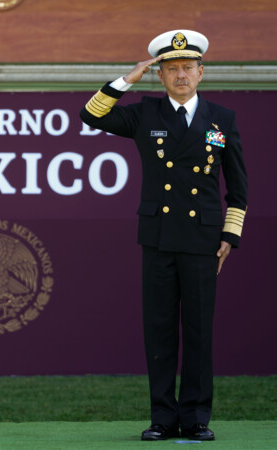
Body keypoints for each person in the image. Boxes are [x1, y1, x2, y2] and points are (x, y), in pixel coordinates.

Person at [80, 30, 247, 441]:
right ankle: (162, 418)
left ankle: (195, 418)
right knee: (159, 329)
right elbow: (91, 115)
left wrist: (230, 235)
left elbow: (238, 186)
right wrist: (127, 80)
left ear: (201, 72)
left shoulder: (222, 118)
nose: (180, 76)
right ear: (160, 77)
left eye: (188, 68)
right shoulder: (145, 113)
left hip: (203, 238)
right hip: (157, 238)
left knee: (198, 330)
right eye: (171, 69)